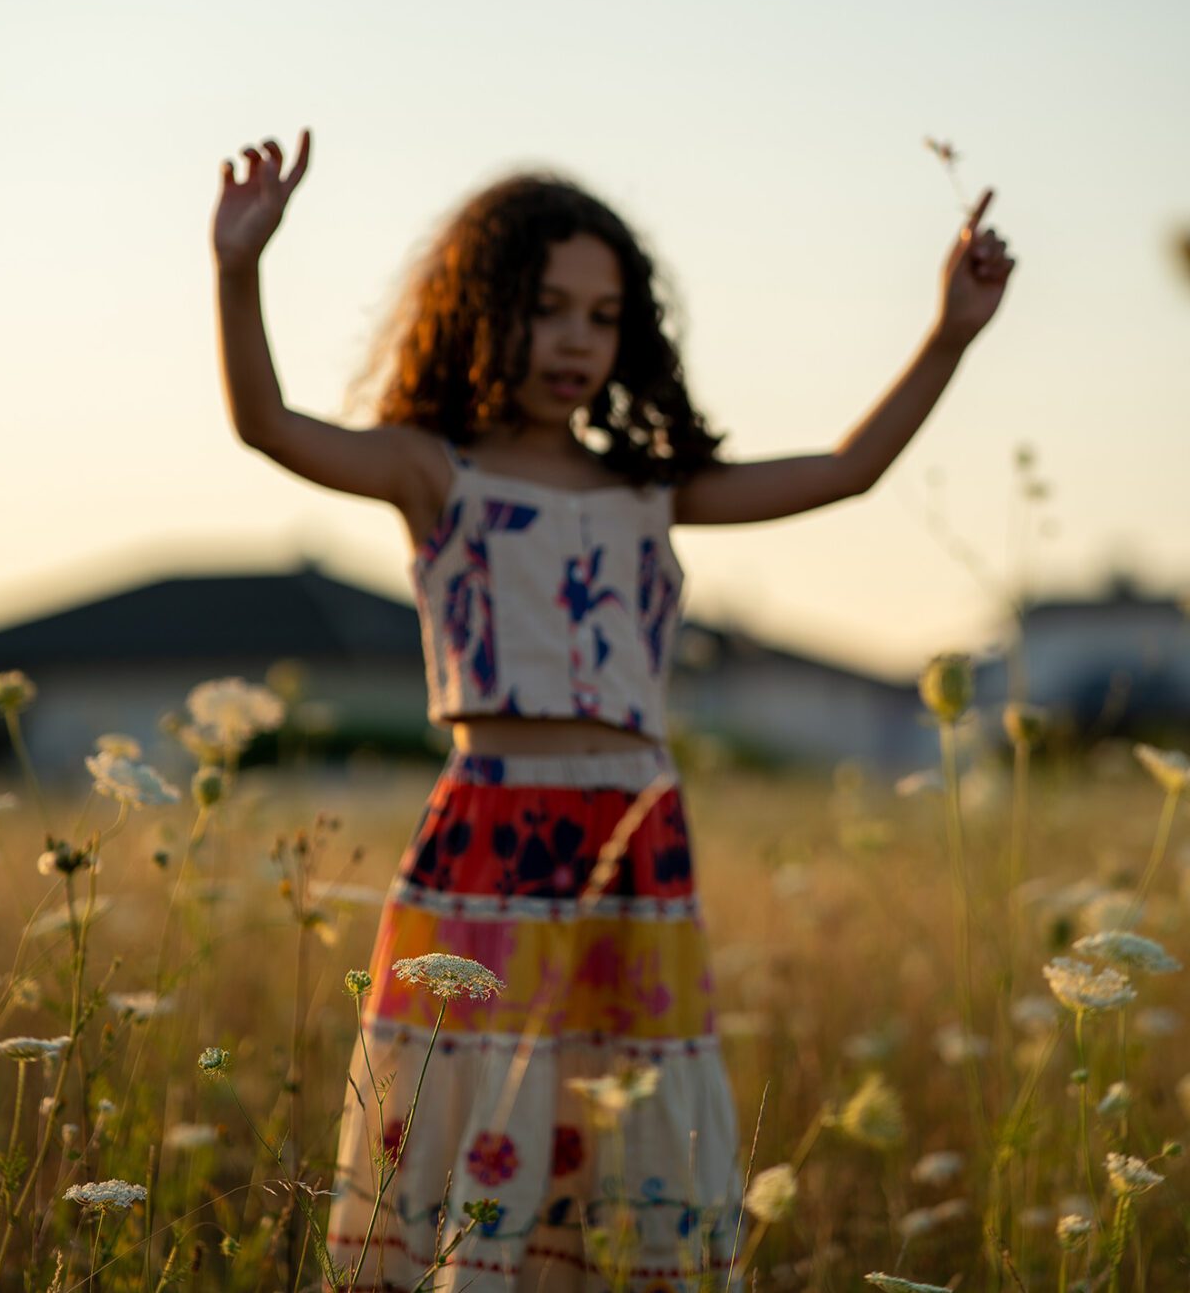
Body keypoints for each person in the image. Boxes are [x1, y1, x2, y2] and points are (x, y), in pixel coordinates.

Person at [211, 129, 1015, 1291]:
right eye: (546, 309)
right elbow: (268, 426)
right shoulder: (436, 470)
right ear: (481, 312)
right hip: (489, 830)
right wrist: (239, 269)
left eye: (600, 315)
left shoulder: (651, 487)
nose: (575, 341)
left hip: (634, 833)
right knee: (473, 1084)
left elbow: (847, 470)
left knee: (625, 1094)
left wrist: (947, 334)